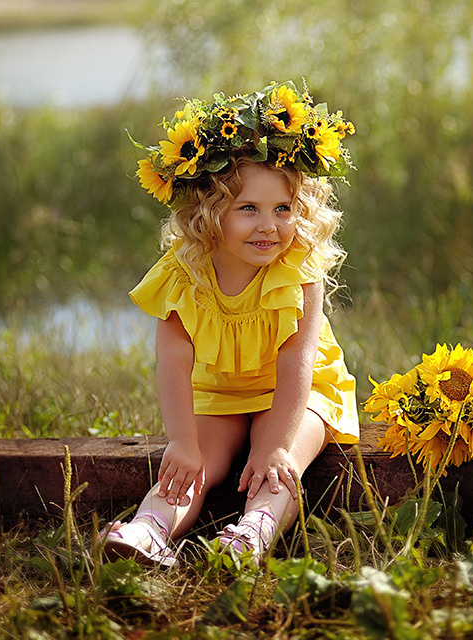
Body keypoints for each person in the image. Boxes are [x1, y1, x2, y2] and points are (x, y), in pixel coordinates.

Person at [100, 81, 360, 566]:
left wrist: (277, 443)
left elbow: (297, 359)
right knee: (189, 468)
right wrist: (181, 440)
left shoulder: (299, 269)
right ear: (209, 212)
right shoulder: (184, 272)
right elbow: (174, 361)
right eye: (248, 209)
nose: (269, 225)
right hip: (219, 393)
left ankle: (251, 537)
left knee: (276, 467)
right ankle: (149, 530)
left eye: (283, 208)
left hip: (300, 394)